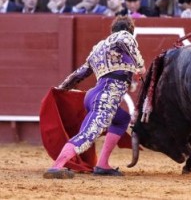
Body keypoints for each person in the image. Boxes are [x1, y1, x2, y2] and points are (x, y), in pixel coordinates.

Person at [43, 15, 146, 179]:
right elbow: (124, 39)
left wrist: (62, 88)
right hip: (105, 97)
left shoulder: (97, 49)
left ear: (112, 29)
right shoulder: (124, 36)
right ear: (129, 31)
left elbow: (79, 74)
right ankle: (57, 166)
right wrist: (140, 66)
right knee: (88, 134)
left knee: (121, 119)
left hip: (94, 95)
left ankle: (102, 164)